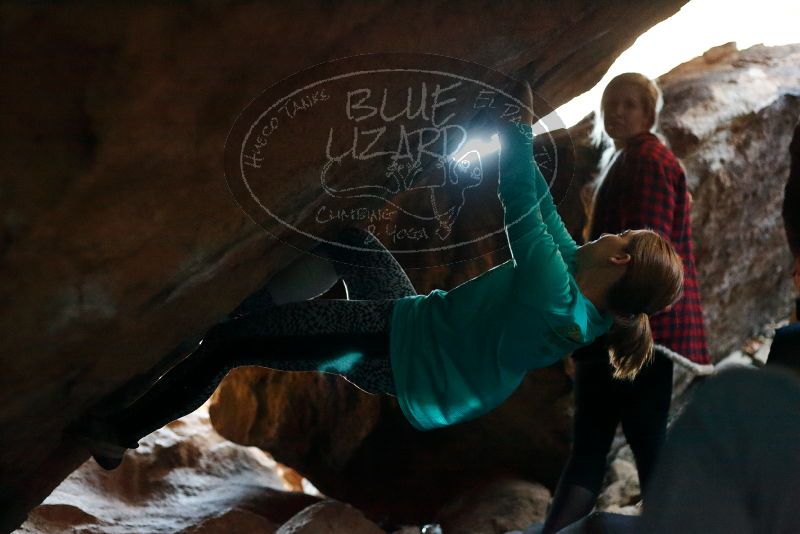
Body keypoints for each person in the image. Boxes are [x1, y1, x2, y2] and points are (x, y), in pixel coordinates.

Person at [72, 83, 685, 471]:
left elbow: (523, 206)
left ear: (622, 262)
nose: (609, 234)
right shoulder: (585, 296)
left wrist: (514, 125)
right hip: (418, 323)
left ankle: (119, 431)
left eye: (622, 238)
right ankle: (238, 316)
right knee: (353, 241)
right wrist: (518, 121)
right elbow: (550, 219)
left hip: (396, 352)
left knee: (231, 347)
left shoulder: (556, 299)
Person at [542, 73, 711, 534]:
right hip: (630, 328)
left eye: (631, 104)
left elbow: (643, 262)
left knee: (621, 444)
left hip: (635, 331)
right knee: (625, 443)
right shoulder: (633, 158)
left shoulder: (647, 163)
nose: (618, 111)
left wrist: (605, 328)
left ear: (650, 115)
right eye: (612, 102)